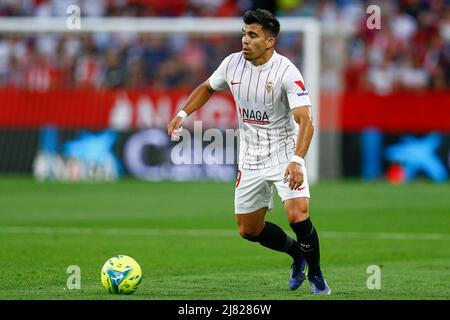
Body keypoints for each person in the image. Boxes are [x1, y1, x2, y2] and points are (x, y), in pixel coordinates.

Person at [167, 8, 331, 295]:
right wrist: (183, 113)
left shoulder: (287, 72)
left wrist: (296, 159)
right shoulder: (232, 64)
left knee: (298, 214)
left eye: (252, 35)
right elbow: (207, 87)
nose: (245, 40)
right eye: (243, 33)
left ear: (269, 42)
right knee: (249, 230)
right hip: (251, 156)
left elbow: (306, 121)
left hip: (285, 153)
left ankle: (316, 274)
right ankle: (297, 254)